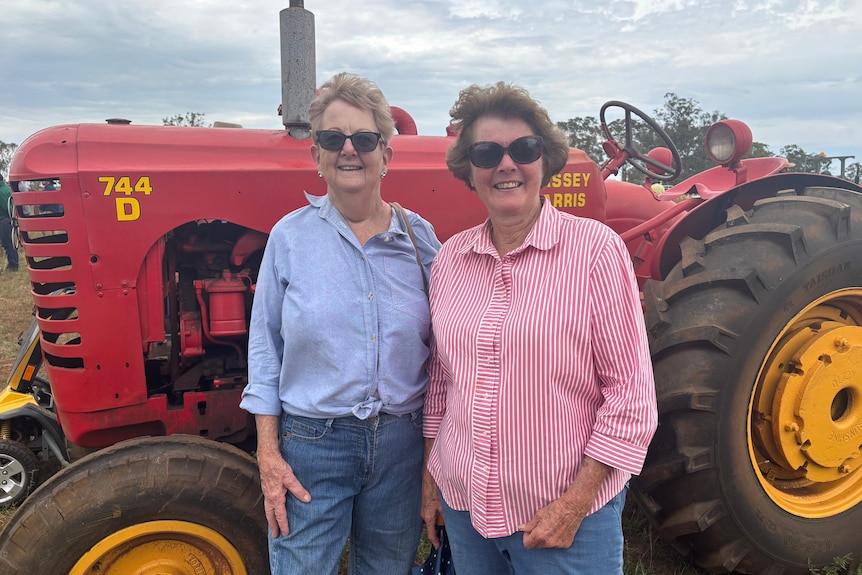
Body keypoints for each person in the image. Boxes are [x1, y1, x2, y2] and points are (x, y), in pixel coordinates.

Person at [421, 82, 658, 575]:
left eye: (523, 149)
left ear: (544, 160)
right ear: (470, 169)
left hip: (562, 518)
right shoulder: (449, 260)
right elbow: (443, 381)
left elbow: (630, 395)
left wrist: (573, 505)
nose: (506, 165)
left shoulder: (595, 251)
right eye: (487, 152)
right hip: (466, 508)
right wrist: (433, 480)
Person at [240, 72, 441, 575]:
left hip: (401, 443)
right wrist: (268, 454)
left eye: (365, 139)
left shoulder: (420, 240)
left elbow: (447, 346)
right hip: (314, 444)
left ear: (386, 156)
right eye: (333, 139)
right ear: (317, 156)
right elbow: (265, 349)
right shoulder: (289, 238)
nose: (349, 150)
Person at [0, 175, 19, 272]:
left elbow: (6, 207)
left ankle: (13, 264)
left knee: (8, 243)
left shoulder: (1, 191)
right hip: (8, 219)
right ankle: (13, 262)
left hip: (4, 220)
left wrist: (12, 217)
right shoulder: (6, 188)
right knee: (9, 242)